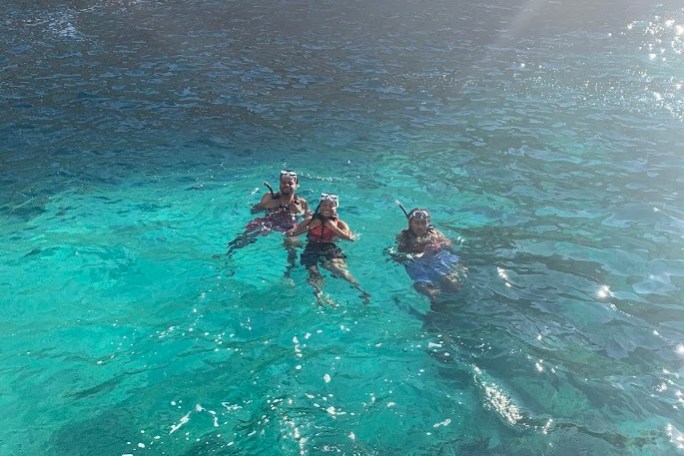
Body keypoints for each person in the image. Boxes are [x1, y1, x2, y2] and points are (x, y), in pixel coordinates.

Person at [286, 193, 370, 306]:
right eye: (324, 204)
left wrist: (333, 228)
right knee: (313, 272)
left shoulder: (340, 223)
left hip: (330, 247)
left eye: (331, 205)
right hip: (311, 247)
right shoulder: (310, 220)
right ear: (319, 206)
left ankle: (361, 290)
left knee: (338, 268)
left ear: (336, 208)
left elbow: (351, 238)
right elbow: (291, 233)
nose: (327, 208)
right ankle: (320, 295)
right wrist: (309, 227)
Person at [225, 170, 309, 276]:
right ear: (279, 184)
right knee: (251, 233)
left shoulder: (302, 202)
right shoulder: (269, 196)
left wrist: (299, 213)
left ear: (297, 185)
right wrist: (265, 205)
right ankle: (228, 256)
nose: (286, 185)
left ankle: (288, 273)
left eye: (290, 183)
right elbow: (253, 211)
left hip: (288, 227)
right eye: (283, 182)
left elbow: (310, 219)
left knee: (292, 245)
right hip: (268, 222)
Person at [390, 207, 464, 300]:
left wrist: (441, 245)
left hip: (437, 260)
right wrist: (419, 255)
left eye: (423, 223)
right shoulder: (404, 237)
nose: (420, 226)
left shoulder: (434, 233)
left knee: (453, 284)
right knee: (423, 287)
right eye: (416, 223)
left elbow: (449, 245)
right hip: (417, 264)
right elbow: (395, 255)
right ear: (410, 224)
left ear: (428, 223)